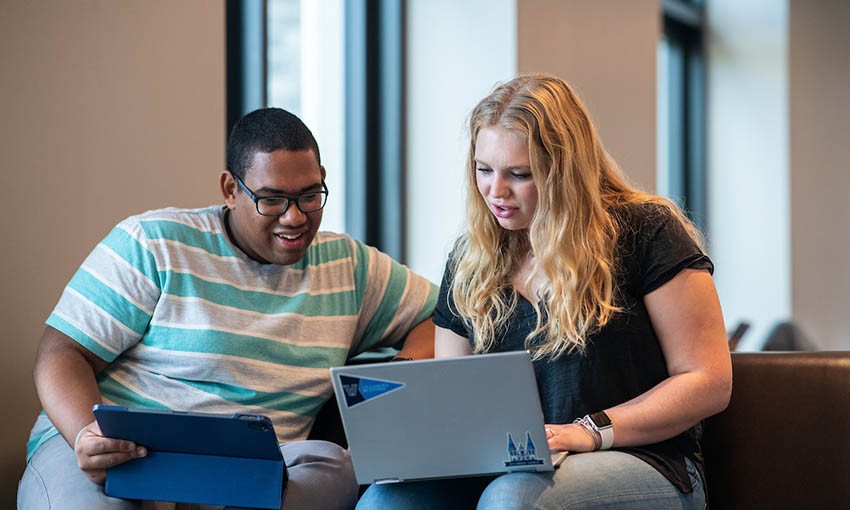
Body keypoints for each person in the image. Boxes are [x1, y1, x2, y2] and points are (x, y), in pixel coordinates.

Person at [18, 107, 438, 510]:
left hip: (250, 469)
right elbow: (60, 353)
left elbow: (443, 314)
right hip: (126, 451)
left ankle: (197, 502)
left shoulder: (348, 266)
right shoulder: (155, 243)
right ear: (230, 189)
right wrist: (86, 437)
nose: (294, 217)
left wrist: (396, 375)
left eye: (309, 196)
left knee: (335, 468)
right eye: (271, 199)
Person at [357, 74, 732, 509]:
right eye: (483, 170)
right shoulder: (471, 257)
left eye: (519, 174)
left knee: (514, 499)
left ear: (565, 171)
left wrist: (587, 432)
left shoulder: (645, 230)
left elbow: (708, 381)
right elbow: (453, 397)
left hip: (644, 462)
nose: (496, 192)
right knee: (386, 501)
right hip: (512, 466)